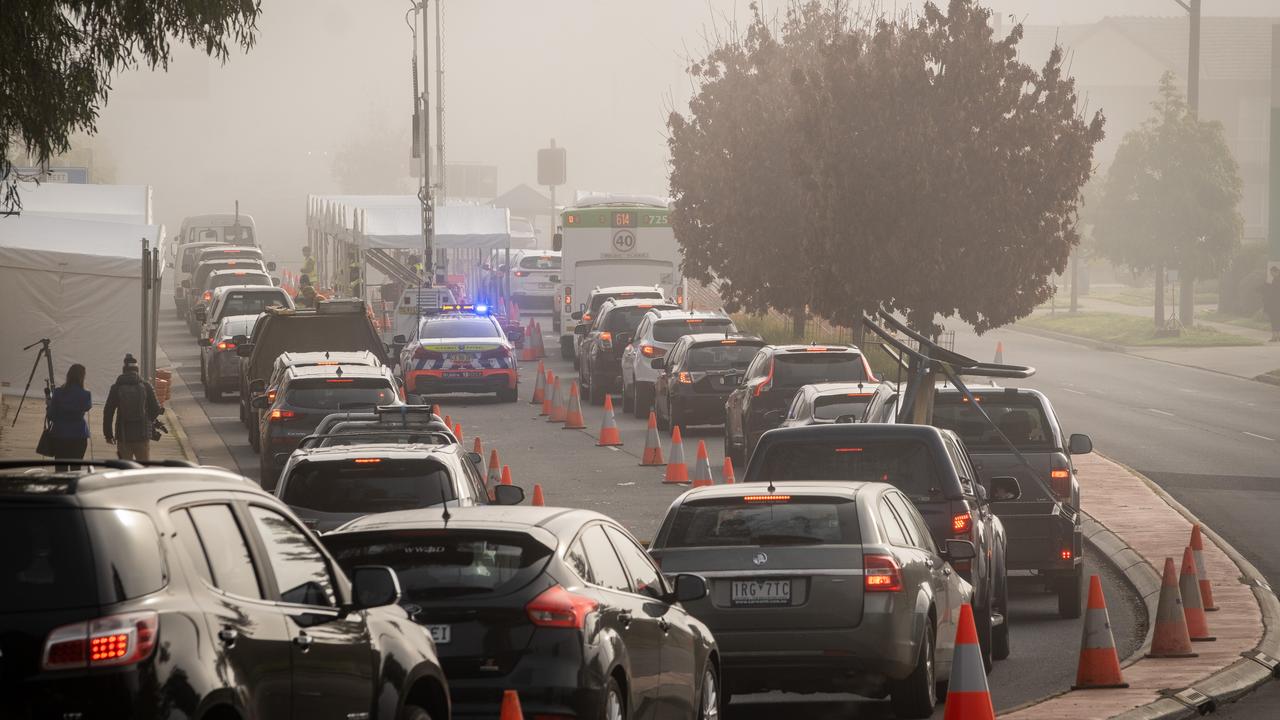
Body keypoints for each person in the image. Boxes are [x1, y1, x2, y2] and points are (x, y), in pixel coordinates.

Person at [103, 354, 162, 461]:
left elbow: (108, 412)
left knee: (125, 471)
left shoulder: (116, 388)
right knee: (142, 470)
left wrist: (108, 434)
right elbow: (156, 409)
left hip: (123, 436)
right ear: (137, 370)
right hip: (142, 435)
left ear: (124, 371)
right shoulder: (146, 386)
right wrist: (148, 420)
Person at [45, 363, 91, 463]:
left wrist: (49, 405)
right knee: (76, 469)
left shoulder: (58, 392)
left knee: (61, 469)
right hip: (79, 435)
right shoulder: (86, 394)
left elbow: (51, 415)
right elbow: (87, 407)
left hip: (60, 434)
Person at [1265, 265, 1280, 342]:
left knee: (1274, 321)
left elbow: (1274, 293)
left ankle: (1275, 336)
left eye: (1272, 273)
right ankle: (1276, 336)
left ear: (1276, 271)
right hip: (1276, 304)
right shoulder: (1275, 280)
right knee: (1277, 320)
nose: (1271, 274)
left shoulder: (1276, 280)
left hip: (1275, 305)